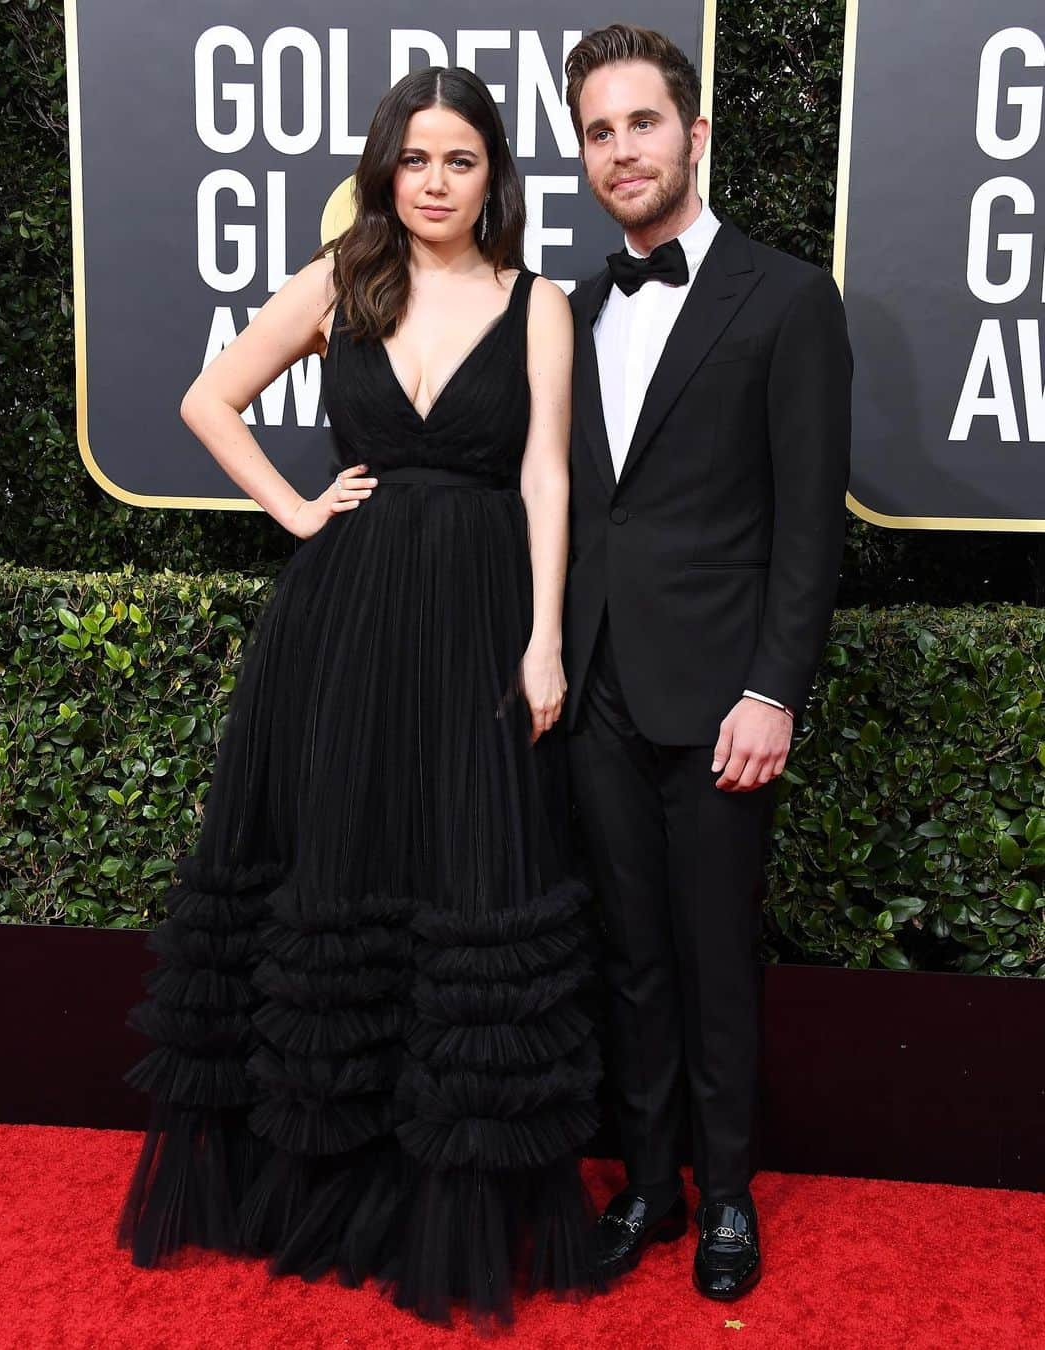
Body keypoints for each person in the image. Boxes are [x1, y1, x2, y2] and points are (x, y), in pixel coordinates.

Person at [116, 65, 609, 1329]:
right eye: (416, 159)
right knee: (339, 875)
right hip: (346, 618)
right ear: (384, 169)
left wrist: (546, 637)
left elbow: (547, 476)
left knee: (467, 881)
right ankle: (323, 1185)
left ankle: (447, 1190)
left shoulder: (538, 302)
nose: (437, 182)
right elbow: (207, 399)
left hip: (484, 618)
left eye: (462, 160)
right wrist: (292, 507)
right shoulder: (344, 281)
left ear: (496, 174)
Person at [562, 24, 853, 1301]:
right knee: (625, 947)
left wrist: (774, 688)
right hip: (595, 688)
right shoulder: (567, 310)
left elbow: (808, 522)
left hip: (724, 695)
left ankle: (728, 1194)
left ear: (695, 135)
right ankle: (647, 1182)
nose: (621, 151)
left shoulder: (787, 299)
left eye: (641, 122)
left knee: (712, 949)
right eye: (598, 132)